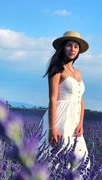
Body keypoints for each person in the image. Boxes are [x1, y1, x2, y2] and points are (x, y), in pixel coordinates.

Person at [37, 31, 90, 170]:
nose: (72, 49)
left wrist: (81, 123)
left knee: (80, 160)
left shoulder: (78, 72)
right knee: (56, 158)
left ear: (78, 51)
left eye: (76, 46)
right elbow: (53, 99)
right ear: (63, 48)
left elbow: (80, 100)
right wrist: (52, 128)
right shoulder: (57, 69)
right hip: (61, 117)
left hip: (74, 120)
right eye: (69, 45)